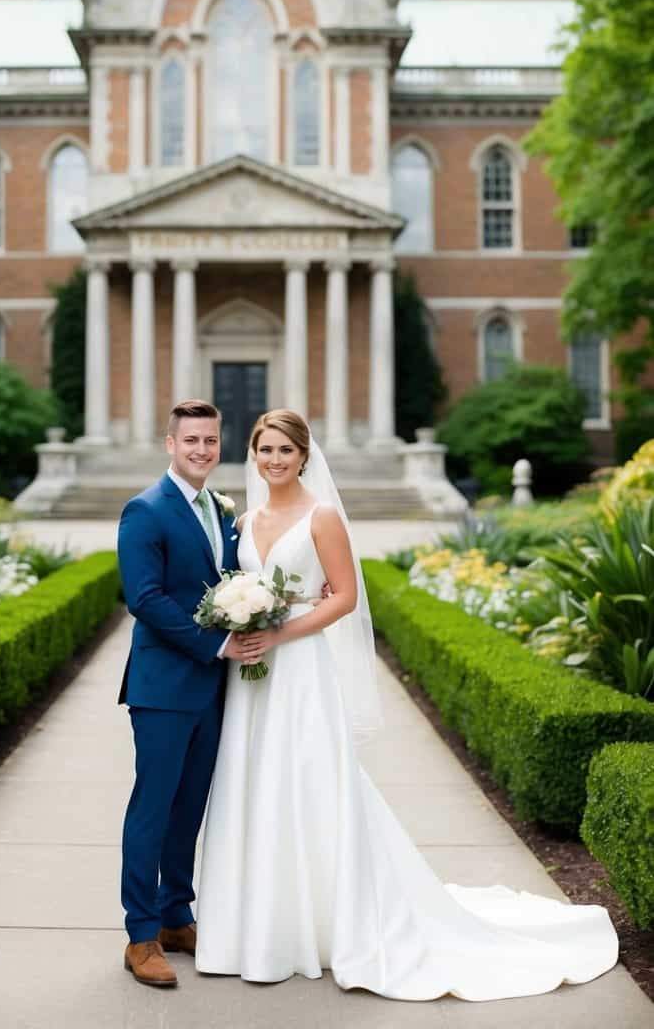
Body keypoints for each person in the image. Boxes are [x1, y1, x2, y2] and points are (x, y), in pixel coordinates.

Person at [194, 408, 619, 1000]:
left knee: (309, 779)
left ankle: (329, 924)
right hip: (252, 677)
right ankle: (258, 926)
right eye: (265, 450)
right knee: (252, 781)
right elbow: (233, 589)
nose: (273, 460)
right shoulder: (245, 520)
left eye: (285, 451)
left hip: (300, 671)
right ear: (254, 455)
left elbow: (343, 598)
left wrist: (280, 633)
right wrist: (238, 622)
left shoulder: (322, 517)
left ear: (304, 457)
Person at [117, 399, 246, 988]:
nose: (202, 450)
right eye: (191, 440)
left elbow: (235, 579)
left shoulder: (218, 510)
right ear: (170, 444)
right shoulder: (145, 510)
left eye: (211, 441)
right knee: (153, 808)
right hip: (164, 686)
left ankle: (175, 916)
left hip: (212, 691)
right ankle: (140, 936)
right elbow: (143, 598)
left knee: (189, 808)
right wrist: (215, 647)